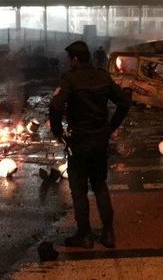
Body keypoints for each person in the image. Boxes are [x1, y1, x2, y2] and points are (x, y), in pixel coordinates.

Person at [49, 41, 131, 249]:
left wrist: (58, 132)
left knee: (79, 190)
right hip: (100, 141)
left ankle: (84, 235)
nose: (68, 62)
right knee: (100, 185)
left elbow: (56, 106)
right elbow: (124, 102)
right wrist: (110, 127)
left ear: (75, 59)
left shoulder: (70, 79)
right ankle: (108, 234)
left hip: (79, 142)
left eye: (69, 59)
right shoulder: (102, 76)